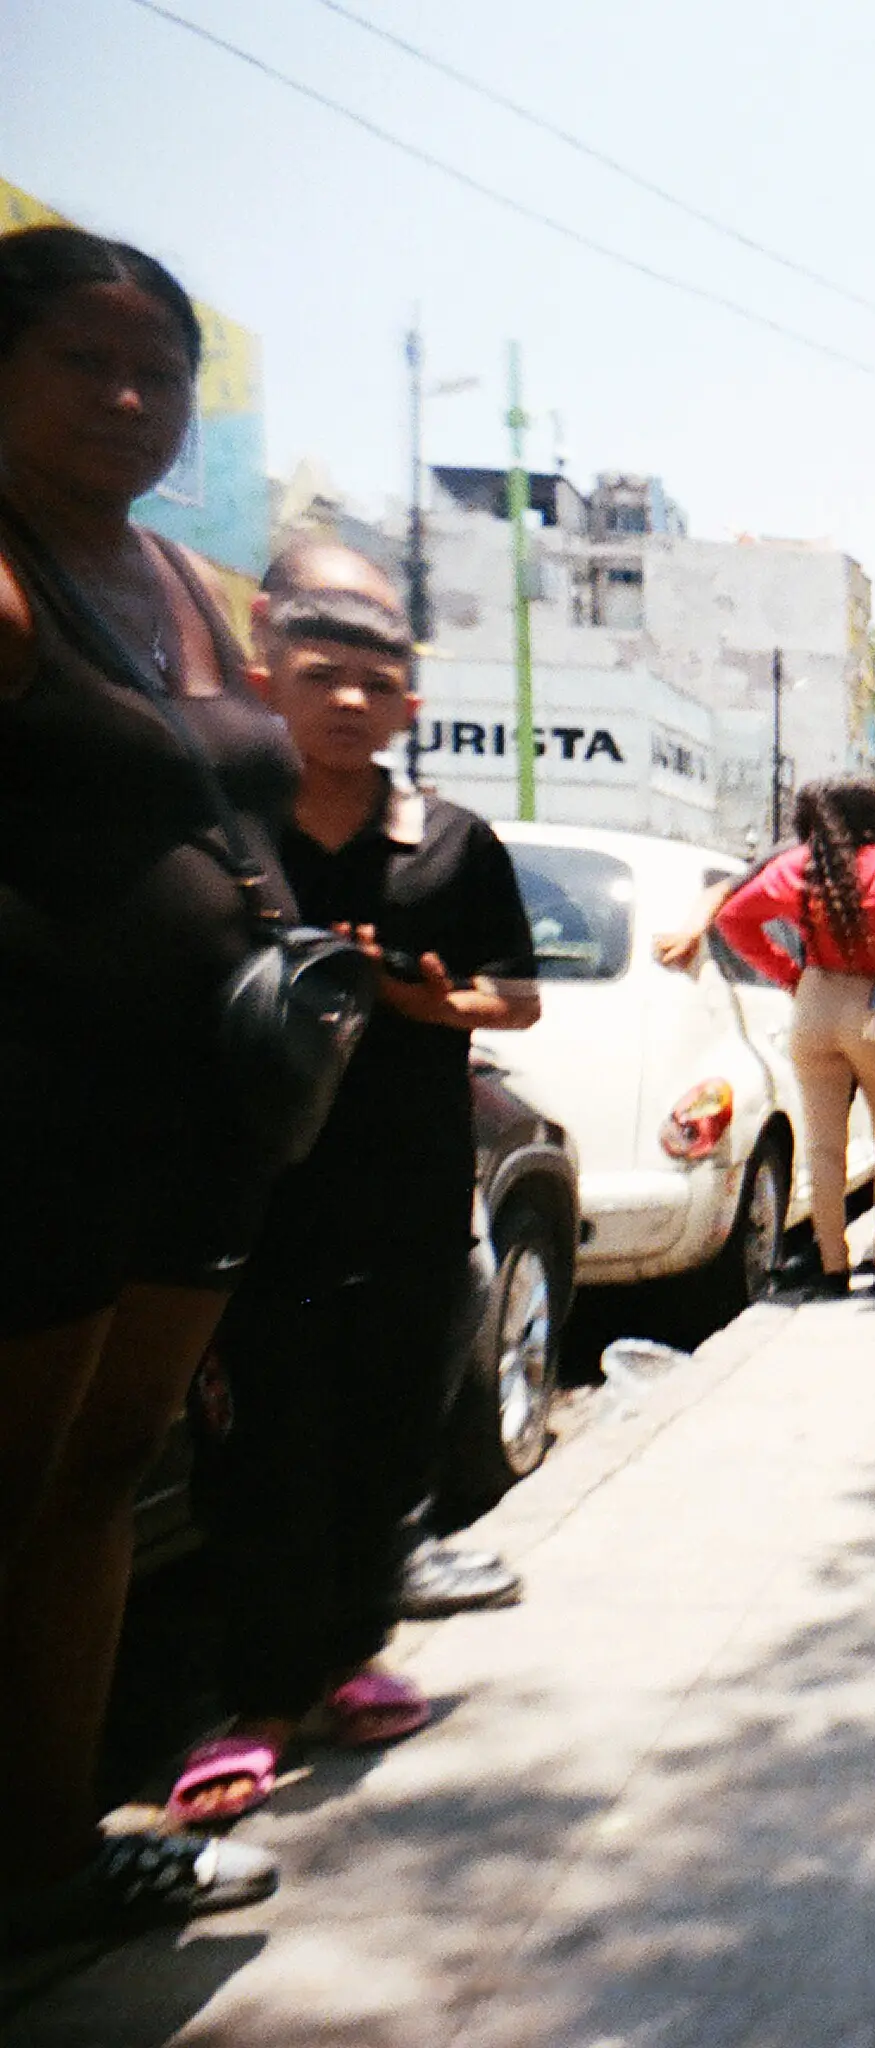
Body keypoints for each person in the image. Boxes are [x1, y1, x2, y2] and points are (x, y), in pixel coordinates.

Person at [0, 225, 292, 1938]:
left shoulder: (178, 579)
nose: (129, 396)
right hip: (38, 1109)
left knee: (101, 1478)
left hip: (201, 1115)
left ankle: (44, 1852)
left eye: (159, 370)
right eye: (82, 362)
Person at [167, 541, 541, 1826]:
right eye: (317, 674)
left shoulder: (450, 844)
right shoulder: (223, 837)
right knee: (261, 1446)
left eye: (369, 683)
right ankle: (259, 1700)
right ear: (266, 678)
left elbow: (518, 999)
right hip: (253, 1197)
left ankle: (351, 1657)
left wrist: (421, 999)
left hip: (407, 1189)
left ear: (406, 710)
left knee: (383, 1436)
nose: (342, 700)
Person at [713, 777, 875, 1296]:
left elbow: (733, 919)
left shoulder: (799, 867)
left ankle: (833, 1268)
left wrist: (791, 974)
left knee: (823, 1147)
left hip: (814, 1002)